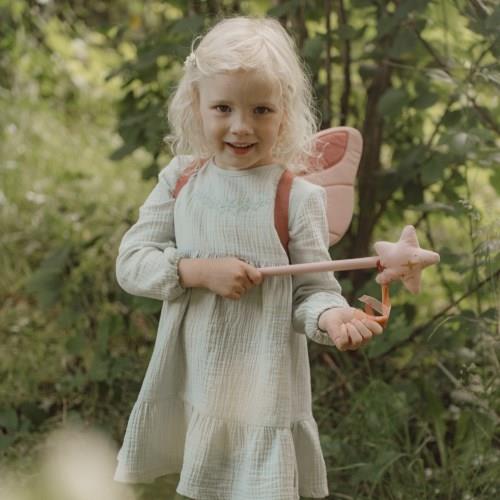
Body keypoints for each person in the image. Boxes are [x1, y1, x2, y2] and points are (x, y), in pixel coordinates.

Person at [113, 16, 383, 500]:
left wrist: (333, 317)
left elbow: (313, 290)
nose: (241, 126)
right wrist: (195, 271)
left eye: (261, 109)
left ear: (284, 115)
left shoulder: (296, 198)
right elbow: (131, 262)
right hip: (193, 379)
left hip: (264, 392)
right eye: (223, 108)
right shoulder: (181, 181)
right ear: (196, 106)